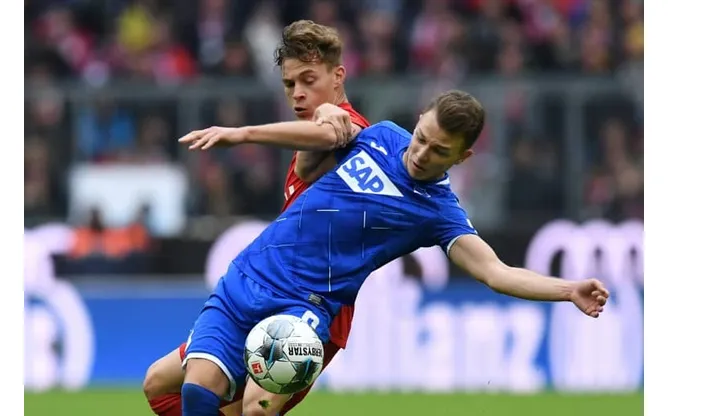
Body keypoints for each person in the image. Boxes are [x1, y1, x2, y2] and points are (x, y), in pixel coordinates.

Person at [177, 89, 611, 416]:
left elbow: (495, 272)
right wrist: (297, 119)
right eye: (422, 138)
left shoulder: (438, 212)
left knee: (257, 407)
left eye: (440, 151)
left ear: (463, 157)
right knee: (195, 392)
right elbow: (324, 130)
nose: (422, 154)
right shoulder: (382, 135)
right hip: (251, 273)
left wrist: (567, 289)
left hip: (304, 305)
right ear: (418, 120)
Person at [143, 20, 370, 416]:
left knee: (252, 409)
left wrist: (245, 132)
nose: (298, 93)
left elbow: (337, 132)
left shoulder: (349, 130)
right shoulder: (305, 134)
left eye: (309, 80)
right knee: (160, 386)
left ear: (338, 77)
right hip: (269, 284)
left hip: (315, 303)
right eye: (289, 84)